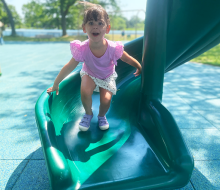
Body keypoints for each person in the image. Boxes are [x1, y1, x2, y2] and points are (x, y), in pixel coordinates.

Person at [47, 2, 142, 132]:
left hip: (107, 76)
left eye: (100, 23)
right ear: (84, 28)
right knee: (85, 91)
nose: (95, 27)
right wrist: (56, 83)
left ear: (107, 29)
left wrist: (138, 66)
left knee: (106, 100)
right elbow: (69, 66)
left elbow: (126, 58)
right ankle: (88, 113)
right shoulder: (82, 49)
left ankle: (101, 116)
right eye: (91, 23)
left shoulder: (113, 48)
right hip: (89, 73)